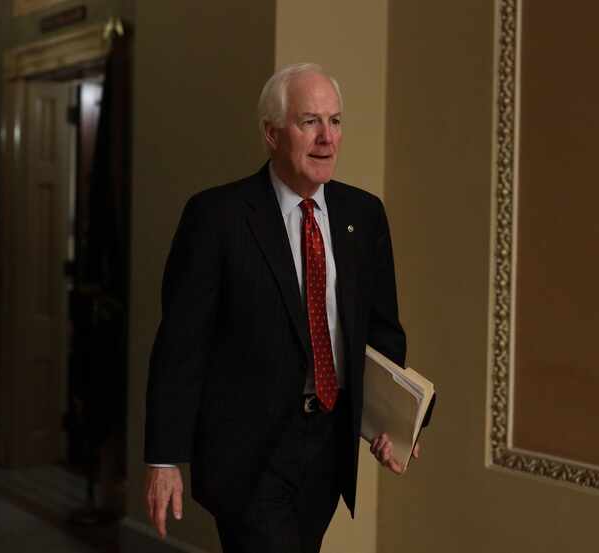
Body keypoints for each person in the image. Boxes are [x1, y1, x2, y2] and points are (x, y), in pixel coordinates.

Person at [144, 63, 420, 553]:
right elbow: (181, 343)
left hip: (327, 450)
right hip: (248, 456)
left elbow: (381, 334)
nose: (326, 138)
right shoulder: (217, 217)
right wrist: (165, 459)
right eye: (309, 121)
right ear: (271, 133)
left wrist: (398, 427)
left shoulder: (363, 215)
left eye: (335, 121)